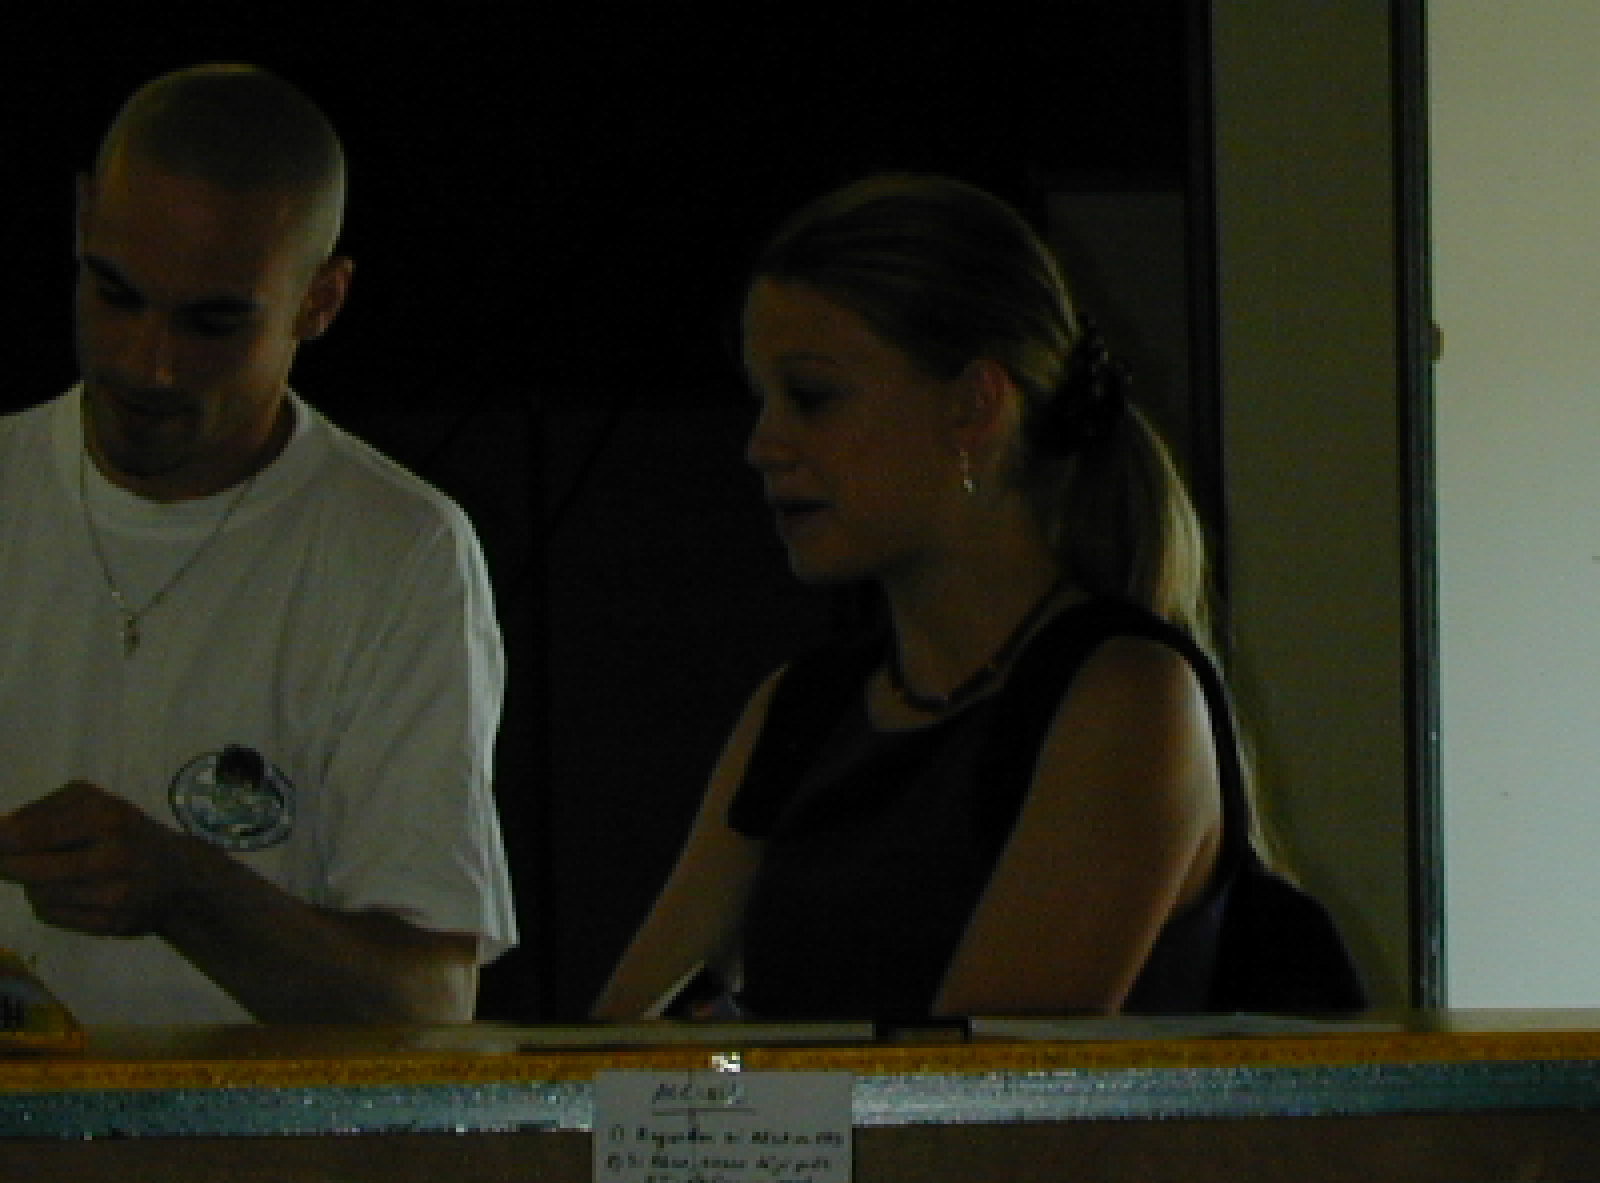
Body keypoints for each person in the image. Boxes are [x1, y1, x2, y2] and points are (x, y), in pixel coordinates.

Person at [593, 172, 1276, 1021]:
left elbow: (970, 1090)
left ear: (974, 406)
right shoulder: (801, 711)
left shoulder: (1126, 698)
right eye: (762, 400)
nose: (763, 445)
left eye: (813, 397)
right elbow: (617, 1056)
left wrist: (734, 1067)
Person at [0, 64, 516, 1025]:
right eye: (116, 295)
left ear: (321, 299)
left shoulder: (400, 551)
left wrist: (187, 892)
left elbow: (433, 1000)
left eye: (213, 323)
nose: (151, 363)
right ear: (81, 220)